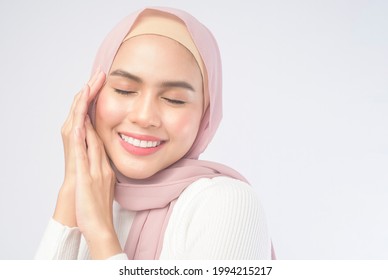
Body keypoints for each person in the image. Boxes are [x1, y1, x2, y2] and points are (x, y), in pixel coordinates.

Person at [35, 6, 272, 260]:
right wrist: (72, 190)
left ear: (205, 116)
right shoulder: (94, 198)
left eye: (174, 99)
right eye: (125, 90)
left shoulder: (228, 204)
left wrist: (101, 233)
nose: (145, 116)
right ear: (93, 96)